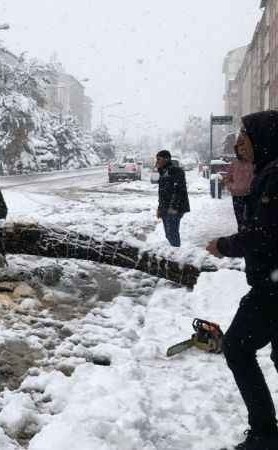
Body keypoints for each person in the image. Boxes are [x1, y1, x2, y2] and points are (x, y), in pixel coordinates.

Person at [207, 111, 278, 450]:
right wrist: (240, 194)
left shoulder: (275, 176)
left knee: (237, 347)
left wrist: (223, 246)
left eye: (244, 136)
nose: (238, 143)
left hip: (273, 286)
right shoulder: (266, 172)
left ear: (262, 138)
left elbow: (262, 234)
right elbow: (255, 224)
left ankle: (265, 434)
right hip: (270, 282)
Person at [155, 150, 190, 247]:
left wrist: (174, 207)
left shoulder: (176, 171)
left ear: (166, 159)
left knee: (172, 234)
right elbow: (162, 193)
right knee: (168, 234)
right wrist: (160, 208)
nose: (157, 161)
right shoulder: (162, 172)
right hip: (165, 207)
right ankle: (174, 253)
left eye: (159, 159)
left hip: (175, 208)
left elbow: (179, 190)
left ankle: (177, 255)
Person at [225, 146, 255, 231]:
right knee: (240, 219)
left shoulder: (253, 163)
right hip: (237, 195)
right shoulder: (234, 164)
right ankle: (241, 235)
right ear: (237, 151)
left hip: (250, 195)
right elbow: (227, 178)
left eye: (245, 149)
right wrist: (232, 187)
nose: (243, 152)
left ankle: (248, 236)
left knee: (250, 219)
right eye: (241, 150)